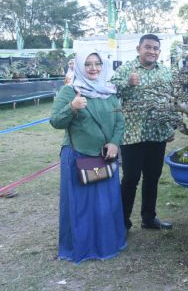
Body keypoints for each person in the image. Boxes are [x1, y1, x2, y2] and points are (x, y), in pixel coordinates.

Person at [50, 52, 126, 263]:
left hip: (106, 157)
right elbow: (55, 121)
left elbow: (120, 121)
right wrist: (72, 107)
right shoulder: (69, 91)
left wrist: (114, 142)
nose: (93, 68)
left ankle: (108, 244)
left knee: (106, 204)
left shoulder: (109, 91)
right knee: (81, 207)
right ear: (80, 68)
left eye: (97, 64)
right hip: (78, 157)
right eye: (88, 64)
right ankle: (82, 248)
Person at [111, 34, 176, 232]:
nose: (152, 51)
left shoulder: (166, 73)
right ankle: (122, 222)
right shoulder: (125, 69)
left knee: (153, 177)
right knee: (130, 178)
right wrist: (127, 83)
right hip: (132, 134)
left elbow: (171, 100)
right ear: (139, 49)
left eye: (155, 48)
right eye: (147, 47)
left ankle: (149, 218)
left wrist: (170, 126)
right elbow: (110, 90)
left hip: (157, 134)